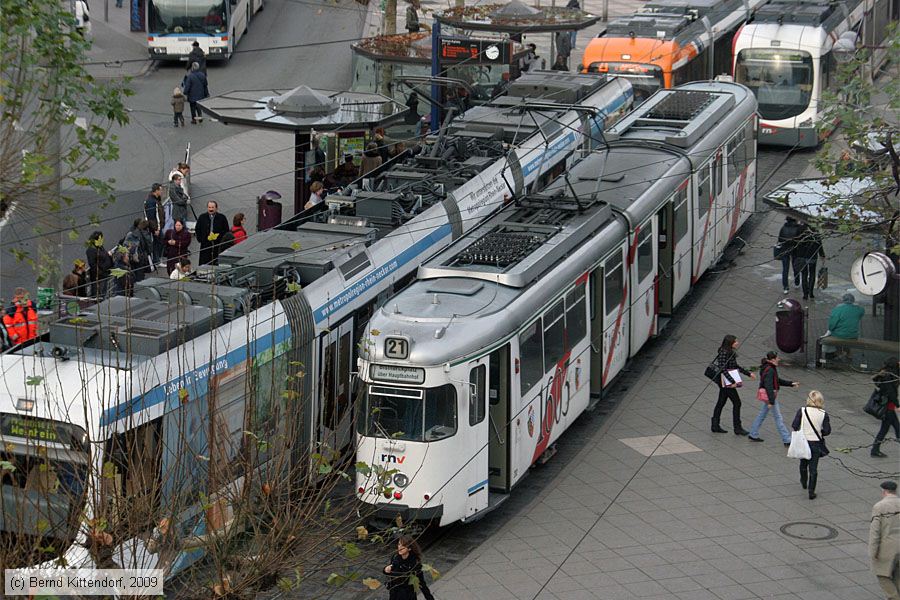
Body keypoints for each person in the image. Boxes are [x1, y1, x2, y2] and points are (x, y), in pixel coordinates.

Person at [748, 351, 799, 445]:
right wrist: (771, 401)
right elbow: (769, 386)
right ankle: (787, 439)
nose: (779, 359)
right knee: (778, 418)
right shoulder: (771, 369)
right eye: (777, 358)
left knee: (762, 414)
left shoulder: (767, 367)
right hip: (770, 396)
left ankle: (753, 433)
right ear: (773, 359)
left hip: (768, 396)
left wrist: (790, 384)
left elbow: (776, 380)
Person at [710, 335, 755, 435]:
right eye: (735, 341)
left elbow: (735, 366)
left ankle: (715, 425)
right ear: (730, 343)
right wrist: (732, 381)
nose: (737, 343)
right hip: (725, 382)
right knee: (737, 403)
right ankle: (737, 428)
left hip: (725, 382)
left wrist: (748, 373)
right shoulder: (724, 353)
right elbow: (722, 369)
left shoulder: (729, 352)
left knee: (721, 402)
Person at [791, 390, 830, 500]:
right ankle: (811, 491)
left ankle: (803, 481)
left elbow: (794, 425)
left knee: (803, 463)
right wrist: (819, 432)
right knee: (813, 468)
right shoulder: (823, 414)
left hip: (803, 441)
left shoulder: (802, 411)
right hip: (816, 443)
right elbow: (827, 431)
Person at [869, 480, 900, 599]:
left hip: (887, 548)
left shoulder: (879, 507)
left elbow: (875, 532)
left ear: (884, 491)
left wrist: (873, 552)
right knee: (898, 577)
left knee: (882, 576)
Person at [383, 536, 435, 600]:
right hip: (394, 594)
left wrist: (429, 598)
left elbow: (421, 583)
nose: (400, 547)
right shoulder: (395, 557)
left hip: (408, 595)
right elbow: (389, 573)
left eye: (403, 546)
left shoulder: (415, 563)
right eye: (399, 544)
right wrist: (385, 569)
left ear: (409, 548)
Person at [871, 358, 899, 458]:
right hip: (888, 407)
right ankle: (874, 450)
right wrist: (898, 405)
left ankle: (875, 450)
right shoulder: (888, 377)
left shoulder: (886, 374)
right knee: (892, 428)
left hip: (888, 406)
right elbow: (891, 393)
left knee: (892, 428)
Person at [792, 222, 824, 300]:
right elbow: (819, 243)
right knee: (812, 273)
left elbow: (795, 243)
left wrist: (795, 255)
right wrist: (822, 254)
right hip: (812, 256)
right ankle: (811, 292)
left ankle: (805, 294)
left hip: (802, 256)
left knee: (804, 274)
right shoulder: (815, 231)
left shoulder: (799, 229)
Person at [195, 200, 229, 265]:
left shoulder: (222, 217)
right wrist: (201, 239)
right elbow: (197, 229)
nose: (211, 209)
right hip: (205, 245)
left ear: (216, 208)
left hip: (217, 245)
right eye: (209, 207)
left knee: (216, 262)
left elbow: (226, 230)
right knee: (205, 263)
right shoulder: (202, 217)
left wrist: (219, 237)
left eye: (212, 207)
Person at [775, 216, 801, 294]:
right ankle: (797, 282)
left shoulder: (783, 228)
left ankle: (785, 287)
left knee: (785, 269)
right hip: (795, 250)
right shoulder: (798, 229)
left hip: (785, 250)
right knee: (795, 267)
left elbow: (779, 240)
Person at [85, 230, 113, 299]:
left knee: (103, 294)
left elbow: (104, 256)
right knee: (98, 296)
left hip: (104, 275)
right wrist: (100, 272)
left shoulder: (100, 247)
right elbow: (92, 264)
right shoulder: (91, 250)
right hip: (99, 277)